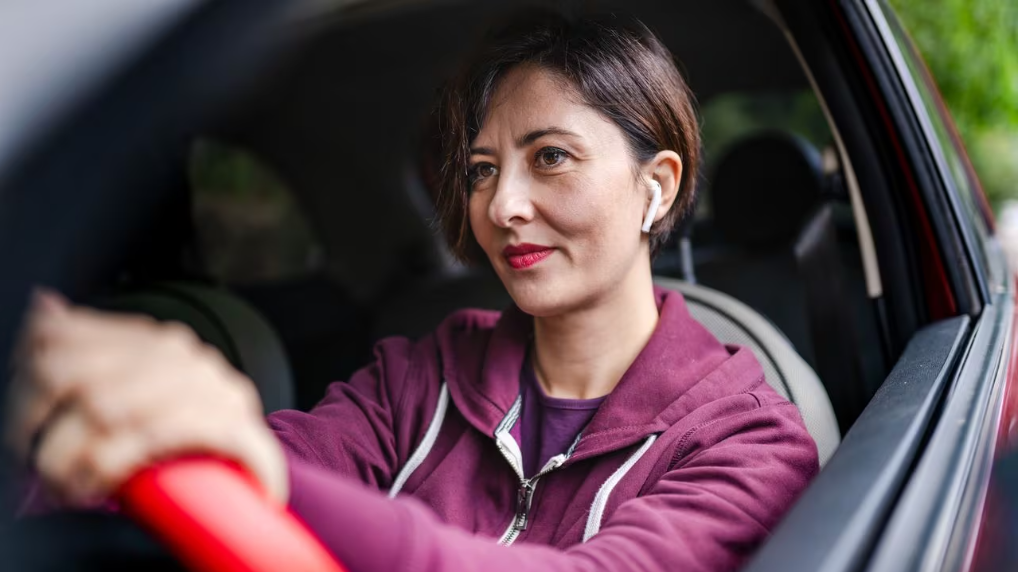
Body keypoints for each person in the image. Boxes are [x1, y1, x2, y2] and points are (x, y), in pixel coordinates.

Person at [6, 12, 818, 572]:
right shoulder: (425, 374)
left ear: (657, 186)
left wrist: (264, 479)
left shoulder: (750, 442)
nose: (502, 208)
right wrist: (100, 432)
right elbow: (278, 460)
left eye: (552, 158)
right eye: (482, 171)